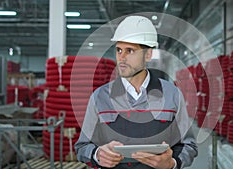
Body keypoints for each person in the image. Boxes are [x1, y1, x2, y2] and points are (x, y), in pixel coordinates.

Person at [75, 15, 198, 169]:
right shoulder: (100, 97)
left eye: (130, 51)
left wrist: (172, 163)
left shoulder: (171, 94)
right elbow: (82, 147)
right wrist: (98, 155)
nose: (122, 58)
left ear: (148, 54)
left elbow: (189, 146)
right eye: (119, 50)